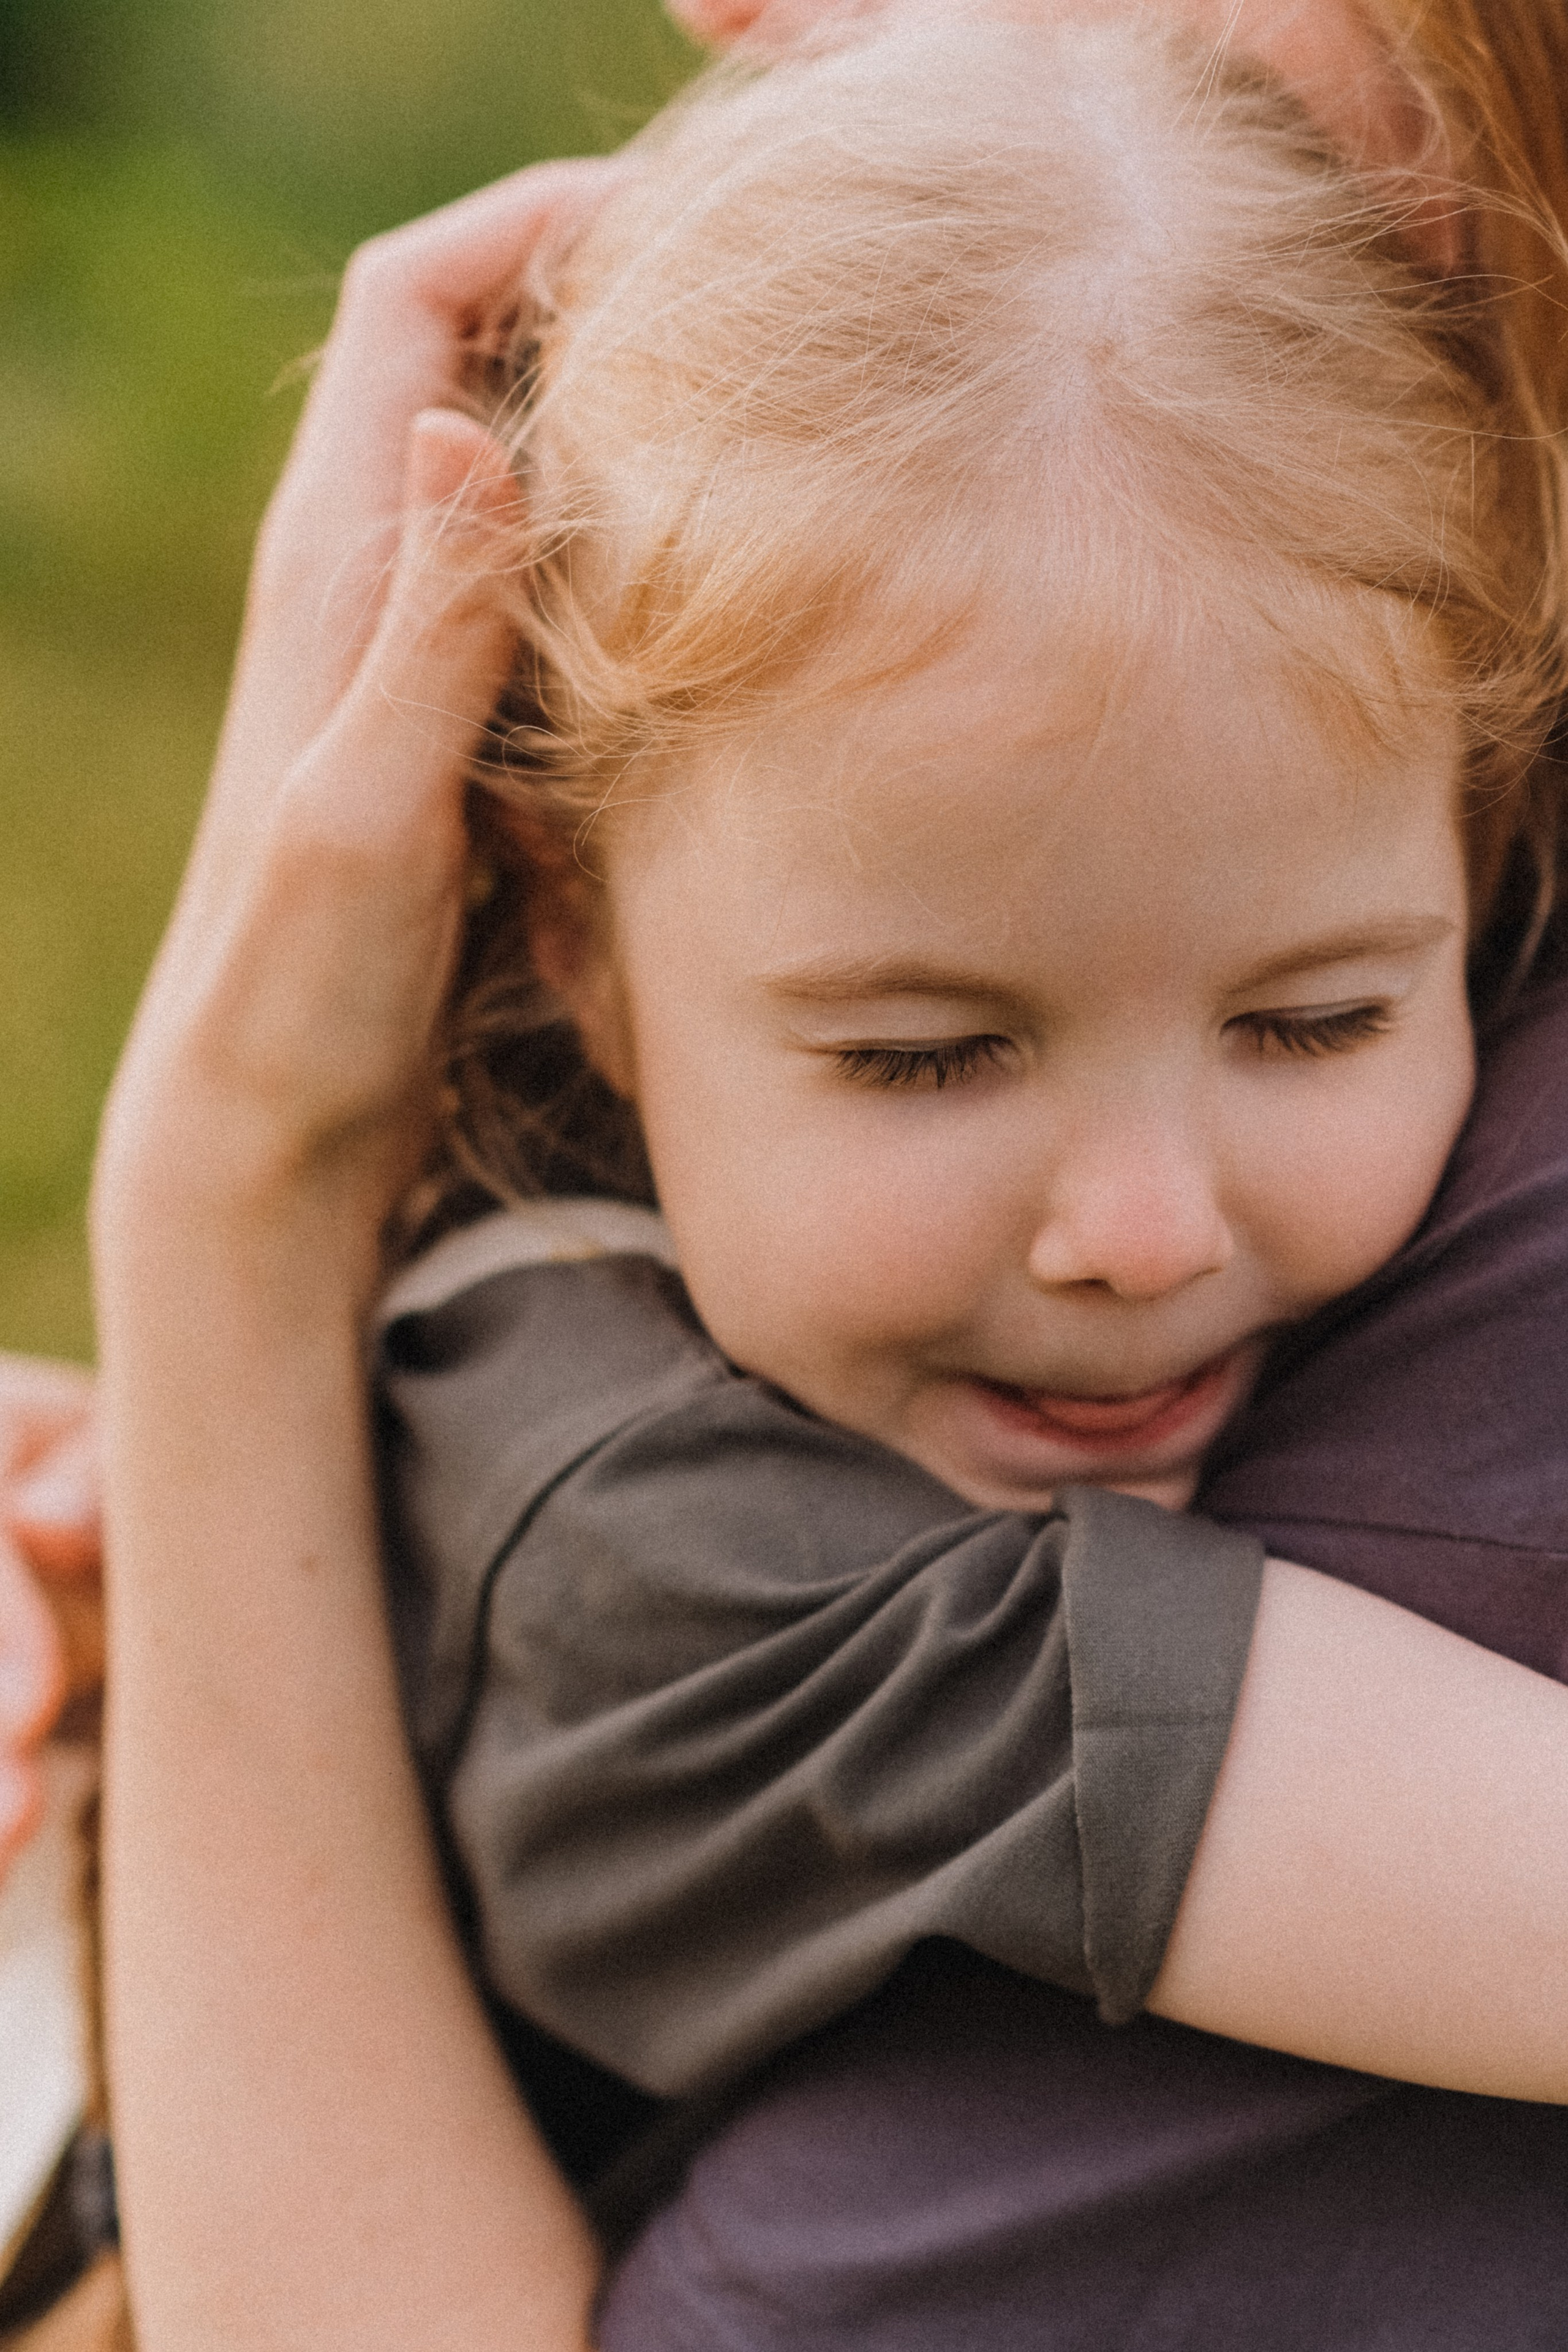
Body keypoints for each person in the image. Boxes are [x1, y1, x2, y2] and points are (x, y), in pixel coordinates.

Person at [31, 6, 1568, 2352]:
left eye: (1313, 1020)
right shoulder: (650, 1542)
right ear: (576, 934)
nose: (1145, 1225)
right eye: (932, 1056)